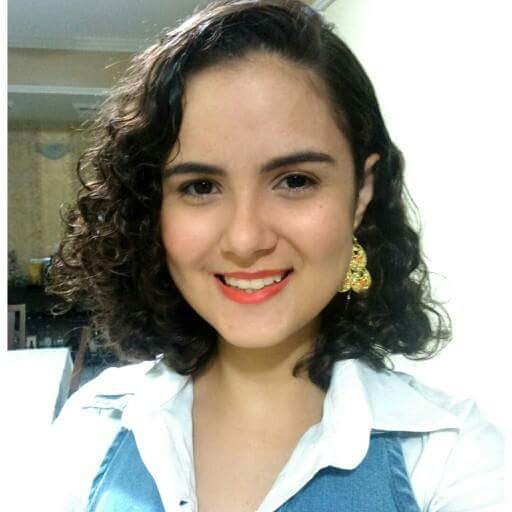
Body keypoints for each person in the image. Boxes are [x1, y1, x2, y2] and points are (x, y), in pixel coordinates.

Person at [35, 0, 502, 510]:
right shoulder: (91, 427)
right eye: (200, 186)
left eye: (295, 181)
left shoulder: (451, 456)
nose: (244, 239)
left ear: (361, 192)